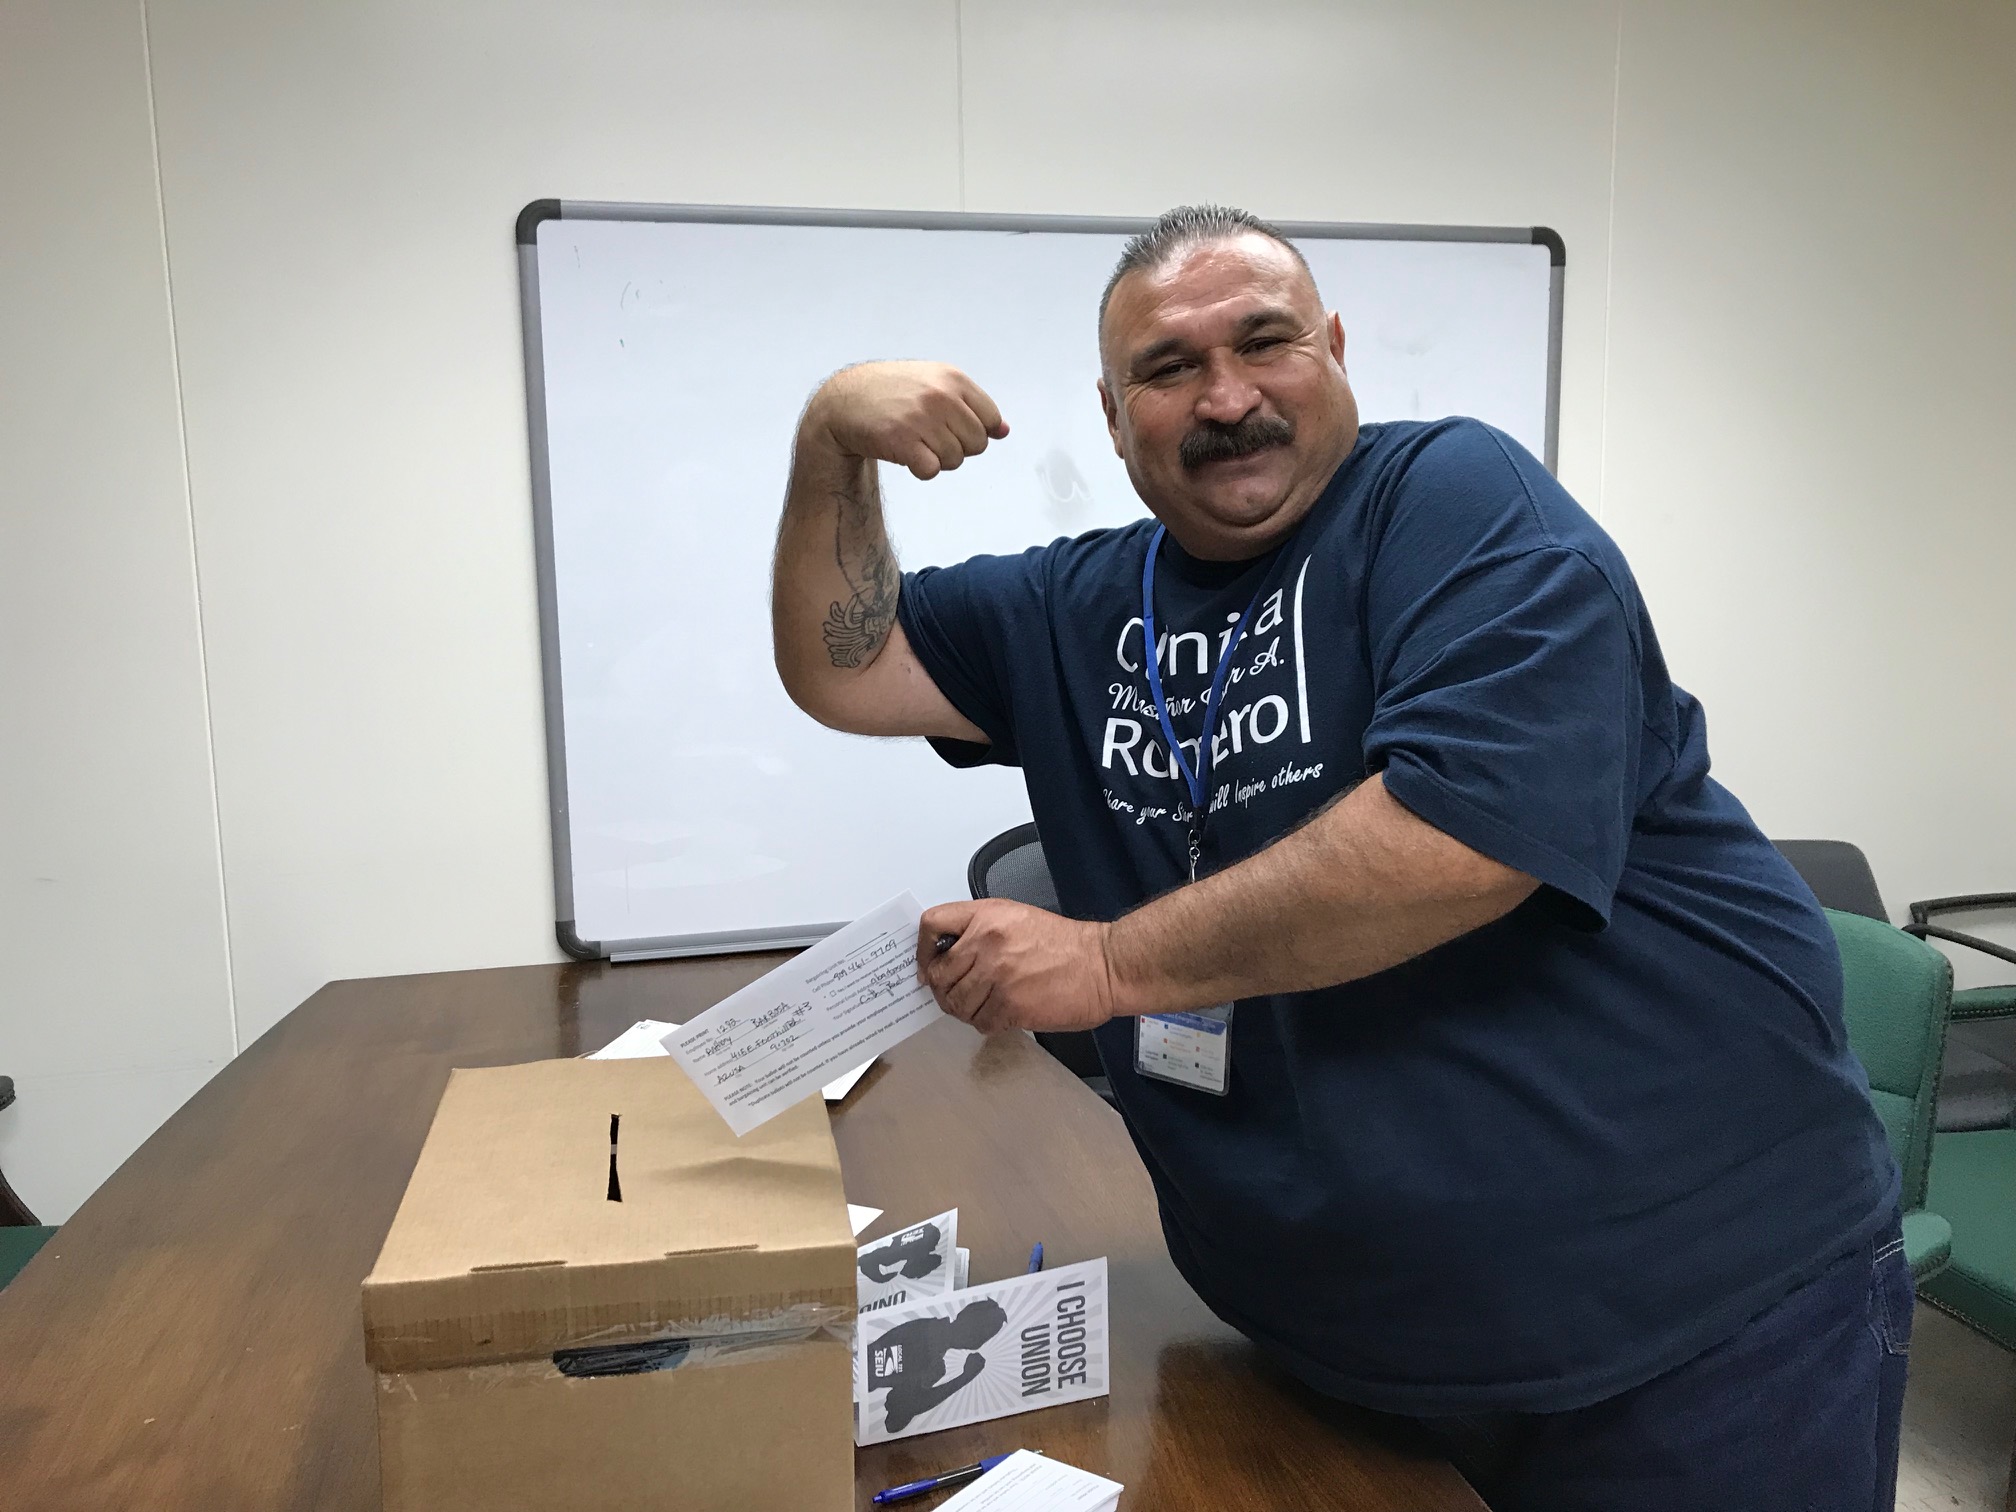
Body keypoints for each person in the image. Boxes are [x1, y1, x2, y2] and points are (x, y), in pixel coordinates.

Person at [769, 204, 1905, 1510]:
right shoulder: (1072, 605)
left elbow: (1459, 833)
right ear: (1113, 414)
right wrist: (830, 443)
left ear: (1338, 349)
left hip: (1691, 1319)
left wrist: (1107, 965)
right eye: (1169, 368)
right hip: (1342, 1342)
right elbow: (846, 664)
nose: (1227, 397)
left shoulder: (1456, 503)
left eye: (1265, 342)